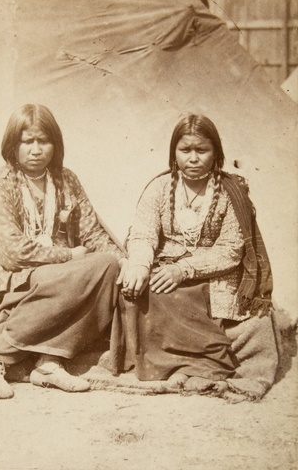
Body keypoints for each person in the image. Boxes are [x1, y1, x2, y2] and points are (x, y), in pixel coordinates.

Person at [110, 113, 278, 398]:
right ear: (174, 153)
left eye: (202, 150)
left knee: (176, 296)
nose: (193, 158)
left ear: (216, 154)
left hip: (214, 274)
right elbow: (143, 232)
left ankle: (202, 363)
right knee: (139, 289)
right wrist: (139, 264)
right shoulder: (160, 188)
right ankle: (163, 363)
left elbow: (231, 249)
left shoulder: (230, 193)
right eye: (185, 150)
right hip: (165, 264)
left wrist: (184, 269)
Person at [0, 103, 127, 399]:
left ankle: (49, 362)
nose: (36, 150)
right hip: (11, 278)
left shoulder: (66, 179)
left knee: (108, 266)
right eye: (28, 142)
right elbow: (12, 253)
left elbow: (92, 232)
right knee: (70, 275)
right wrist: (67, 256)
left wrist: (126, 261)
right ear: (13, 145)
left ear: (56, 144)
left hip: (56, 275)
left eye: (44, 141)